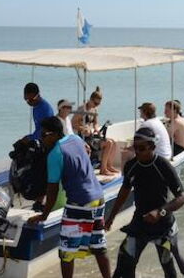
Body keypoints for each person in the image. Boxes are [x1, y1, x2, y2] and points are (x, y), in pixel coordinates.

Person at [27, 117, 112, 278]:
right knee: (98, 246)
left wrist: (44, 215)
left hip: (79, 203)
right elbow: (87, 151)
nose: (41, 139)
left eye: (44, 135)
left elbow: (52, 190)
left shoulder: (55, 154)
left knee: (66, 252)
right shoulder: (75, 139)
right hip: (98, 198)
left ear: (54, 134)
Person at [104, 128, 184, 278]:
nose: (137, 152)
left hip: (163, 225)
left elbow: (182, 198)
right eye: (135, 147)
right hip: (140, 223)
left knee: (168, 264)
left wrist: (160, 212)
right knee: (125, 262)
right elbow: (124, 192)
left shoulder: (163, 165)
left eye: (142, 148)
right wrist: (111, 218)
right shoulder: (131, 166)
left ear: (152, 147)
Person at [74, 87, 120, 175]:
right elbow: (73, 123)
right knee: (108, 143)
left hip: (91, 136)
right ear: (90, 99)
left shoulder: (94, 110)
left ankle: (109, 166)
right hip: (83, 137)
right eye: (95, 103)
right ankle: (103, 169)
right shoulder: (82, 109)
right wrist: (83, 129)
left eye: (98, 104)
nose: (96, 105)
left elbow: (96, 123)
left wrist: (96, 129)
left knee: (113, 142)